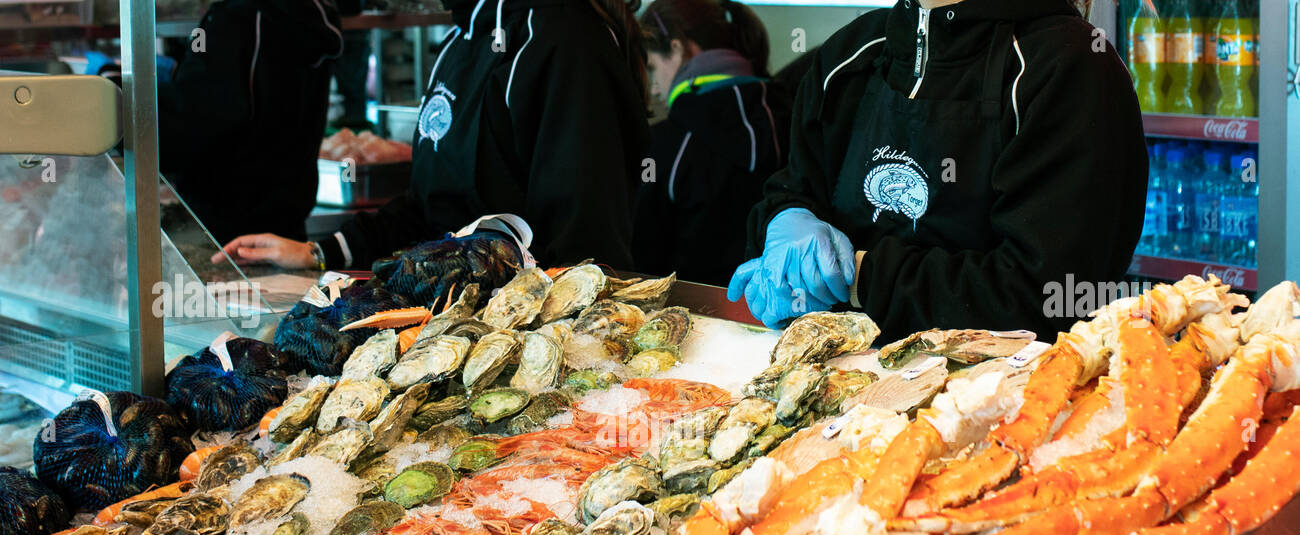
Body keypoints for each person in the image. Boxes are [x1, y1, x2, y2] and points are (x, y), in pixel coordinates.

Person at [727, 0, 1148, 340]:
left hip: (1001, 410)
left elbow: (1039, 296)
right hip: (836, 389)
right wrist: (784, 220)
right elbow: (793, 189)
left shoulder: (1071, 67)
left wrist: (857, 276)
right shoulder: (849, 55)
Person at [216, 0, 651, 274]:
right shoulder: (462, 38)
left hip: (524, 346)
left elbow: (589, 249)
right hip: (454, 329)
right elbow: (429, 211)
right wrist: (317, 252)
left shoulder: (564, 42)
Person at [158, 0, 344, 244]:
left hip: (228, 235)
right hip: (283, 227)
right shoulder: (299, 11)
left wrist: (120, 98)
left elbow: (196, 124)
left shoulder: (239, 18)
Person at [633, 0, 789, 285]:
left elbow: (645, 259)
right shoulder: (792, 112)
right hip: (789, 309)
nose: (654, 87)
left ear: (678, 48)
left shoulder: (668, 144)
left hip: (698, 315)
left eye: (653, 68)